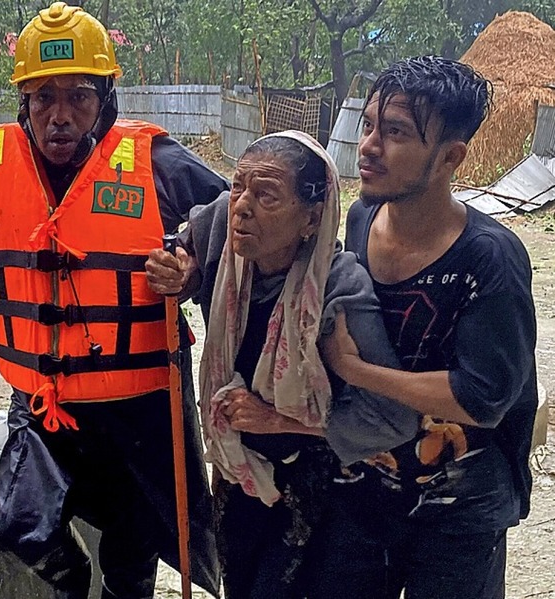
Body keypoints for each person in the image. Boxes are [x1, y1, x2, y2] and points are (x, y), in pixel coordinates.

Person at [0, 3, 229, 598]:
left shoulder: (157, 167)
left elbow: (239, 233)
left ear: (106, 97)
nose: (59, 116)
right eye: (43, 98)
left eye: (78, 97)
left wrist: (190, 267)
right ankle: (71, 584)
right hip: (42, 405)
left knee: (132, 554)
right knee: (21, 527)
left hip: (138, 413)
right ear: (24, 103)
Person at [146, 130, 420, 598]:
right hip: (239, 479)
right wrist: (181, 269)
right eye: (239, 188)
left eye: (267, 194)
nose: (243, 207)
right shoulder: (221, 232)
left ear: (312, 218)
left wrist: (279, 420)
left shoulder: (339, 290)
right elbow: (185, 243)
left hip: (323, 491)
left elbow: (392, 418)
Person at [321, 56, 538, 598]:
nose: (369, 144)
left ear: (450, 158)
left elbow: (481, 399)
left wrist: (355, 370)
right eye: (369, 124)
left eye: (394, 133)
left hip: (459, 515)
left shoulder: (489, 259)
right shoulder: (361, 217)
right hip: (364, 496)